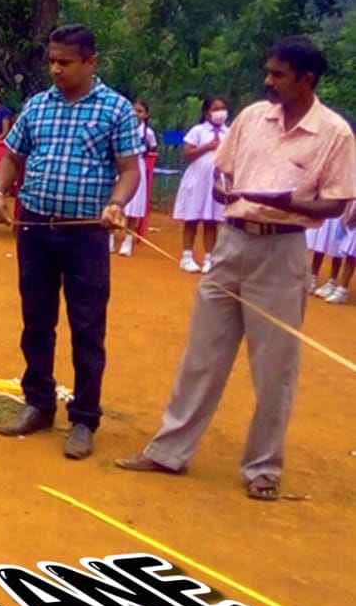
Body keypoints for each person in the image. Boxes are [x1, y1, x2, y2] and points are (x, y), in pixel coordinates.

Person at [118, 37, 356, 499]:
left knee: (275, 366)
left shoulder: (335, 133)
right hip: (230, 244)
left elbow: (336, 202)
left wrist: (293, 204)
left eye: (278, 74)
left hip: (283, 250)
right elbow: (222, 172)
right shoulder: (251, 118)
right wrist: (226, 191)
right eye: (269, 71)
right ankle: (169, 451)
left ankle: (263, 468)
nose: (268, 81)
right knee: (202, 354)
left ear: (307, 79)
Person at [0, 24, 143, 461]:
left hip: (86, 232)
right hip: (35, 226)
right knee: (36, 319)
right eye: (52, 61)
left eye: (65, 62)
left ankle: (85, 418)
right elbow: (12, 156)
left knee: (87, 325)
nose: (56, 69)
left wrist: (117, 203)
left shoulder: (116, 110)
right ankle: (38, 403)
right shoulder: (38, 105)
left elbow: (130, 169)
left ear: (90, 61)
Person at [173, 94, 230, 272]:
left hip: (216, 180)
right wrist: (208, 146)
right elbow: (188, 154)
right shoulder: (198, 131)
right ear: (206, 113)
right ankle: (187, 257)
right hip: (198, 179)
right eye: (215, 109)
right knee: (192, 217)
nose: (220, 112)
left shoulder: (229, 133)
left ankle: (209, 258)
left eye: (223, 108)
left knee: (212, 219)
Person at [115, 96, 159, 258]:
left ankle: (128, 240)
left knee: (134, 205)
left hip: (137, 167)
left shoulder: (148, 133)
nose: (136, 114)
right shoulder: (122, 128)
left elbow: (152, 149)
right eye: (134, 110)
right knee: (117, 202)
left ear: (146, 114)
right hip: (121, 165)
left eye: (140, 111)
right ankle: (111, 237)